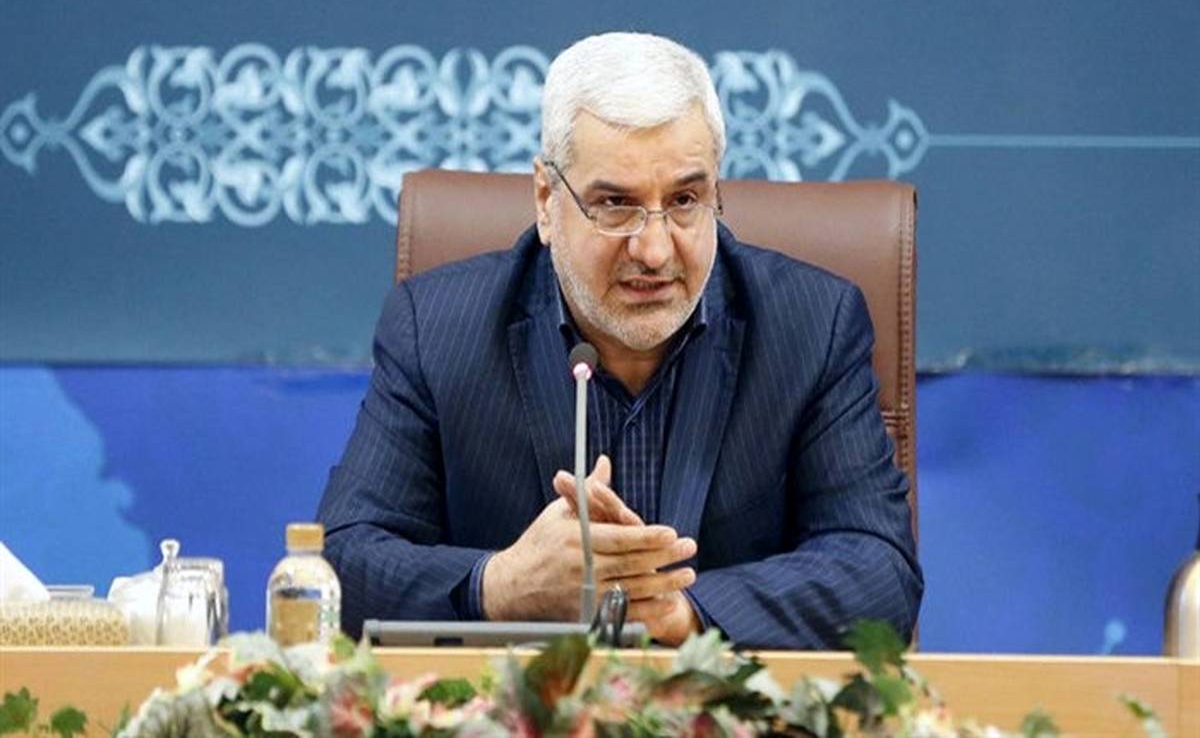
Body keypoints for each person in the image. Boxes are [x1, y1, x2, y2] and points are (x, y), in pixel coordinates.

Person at [317, 32, 922, 649]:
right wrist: (499, 586)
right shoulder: (439, 328)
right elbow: (340, 565)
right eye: (615, 204)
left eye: (685, 200)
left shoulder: (811, 327)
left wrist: (683, 613)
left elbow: (881, 573)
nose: (654, 250)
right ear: (547, 200)